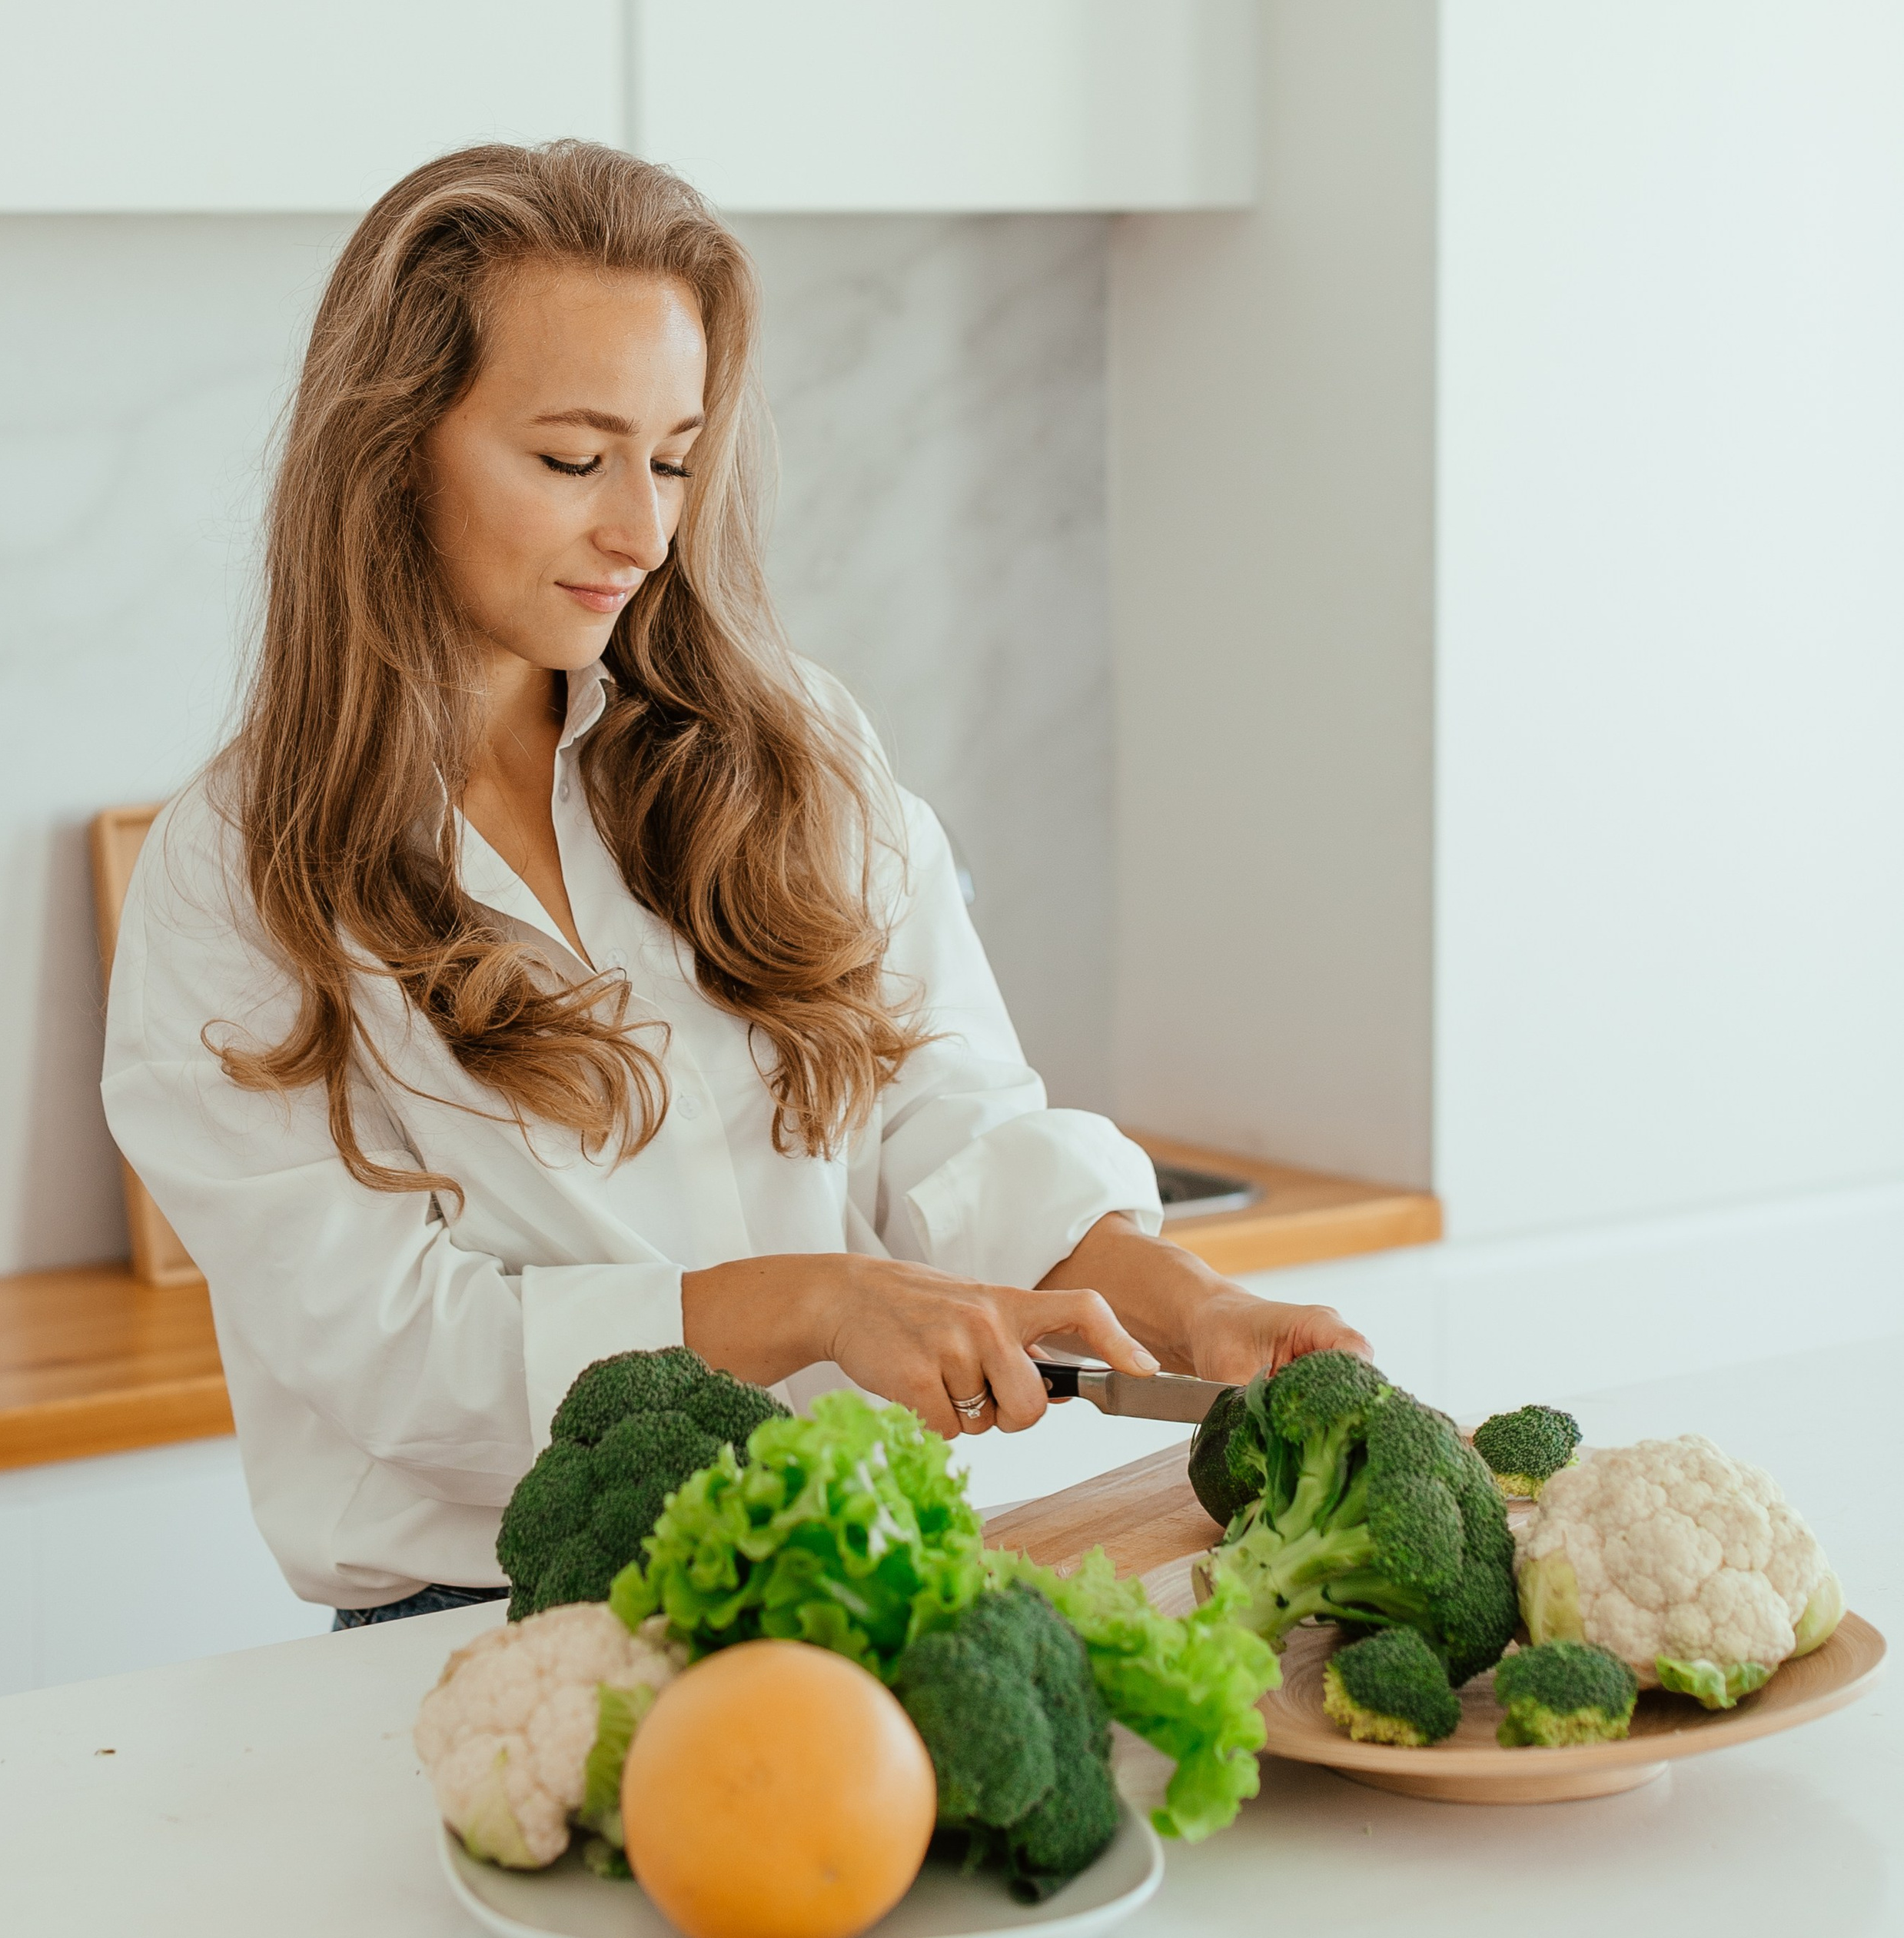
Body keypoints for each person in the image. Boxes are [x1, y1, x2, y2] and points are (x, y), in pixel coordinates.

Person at [103, 142, 1369, 1628]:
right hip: (483, 1631)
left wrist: (1186, 1307)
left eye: (675, 458)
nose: (642, 532)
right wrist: (818, 1300)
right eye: (574, 461)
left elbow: (942, 1118)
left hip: (868, 1576)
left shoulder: (793, 749)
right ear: (393, 451)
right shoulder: (233, 878)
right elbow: (396, 1356)